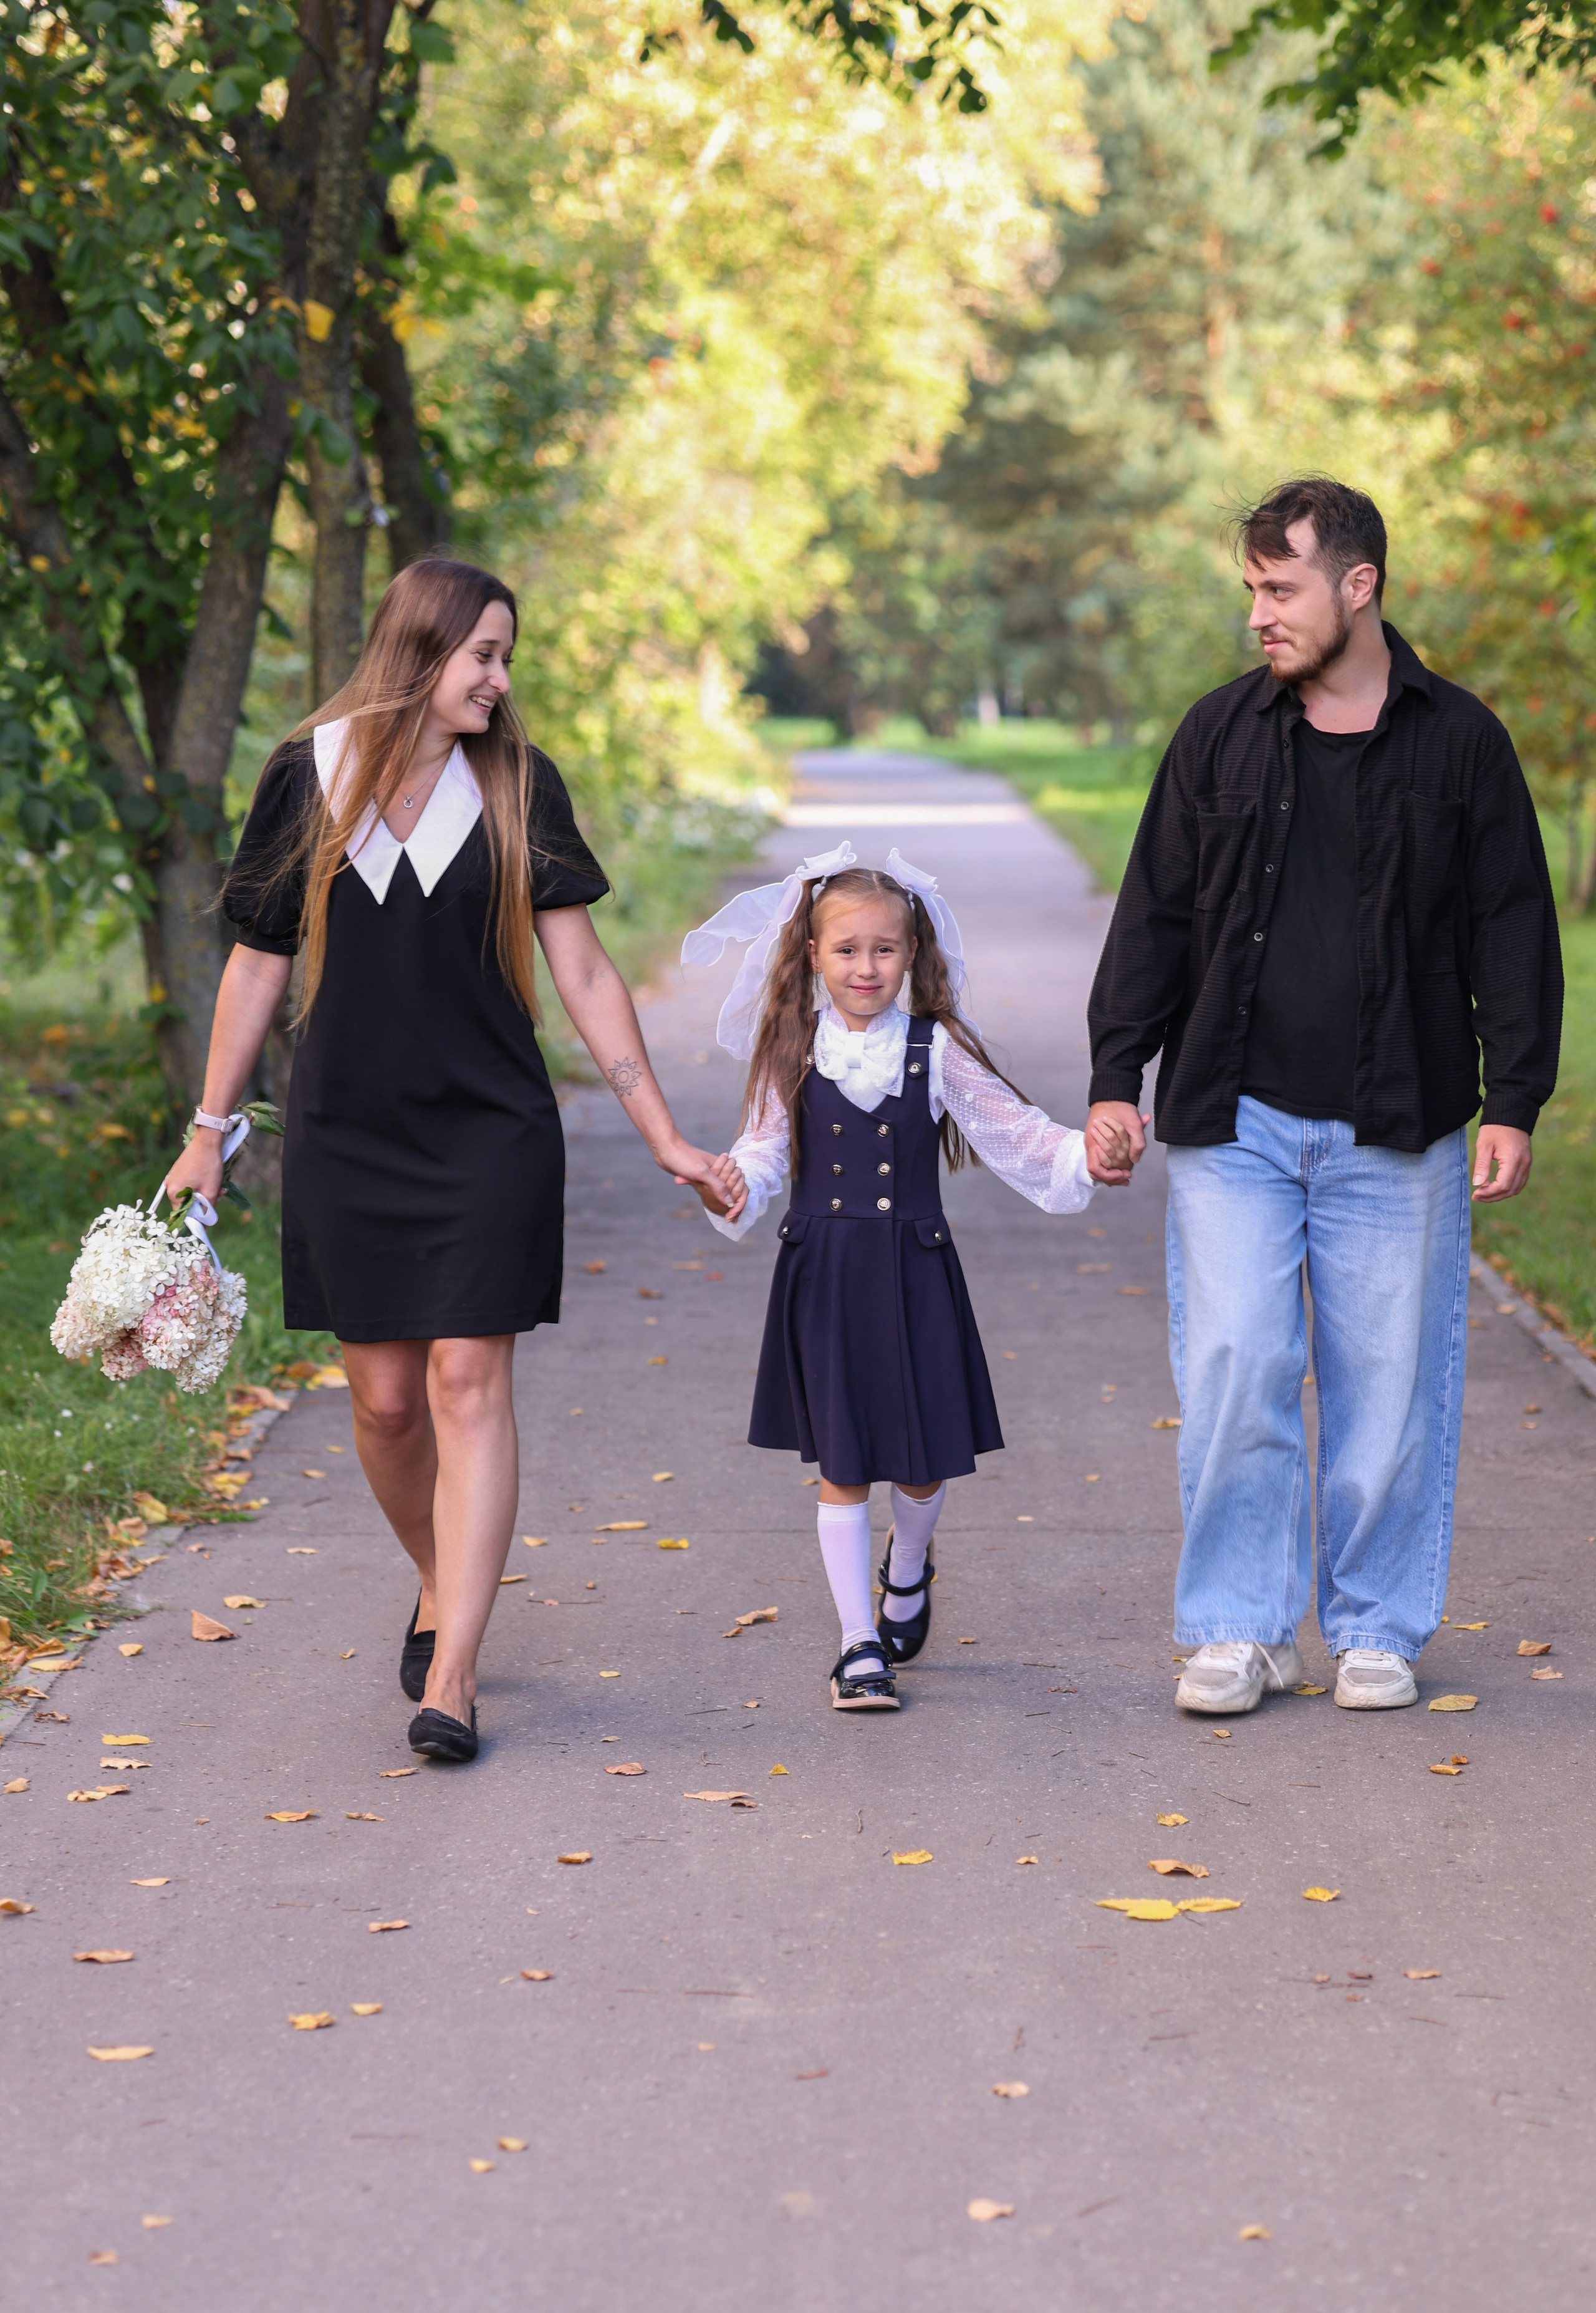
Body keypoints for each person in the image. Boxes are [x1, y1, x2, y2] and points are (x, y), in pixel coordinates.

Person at [163, 557, 746, 1764]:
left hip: (490, 1131)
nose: (498, 678)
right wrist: (206, 1134)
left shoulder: (518, 784)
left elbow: (581, 972)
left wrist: (666, 1138)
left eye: (506, 658)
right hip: (350, 1133)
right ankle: (442, 1577)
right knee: (382, 1401)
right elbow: (256, 966)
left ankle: (459, 1674)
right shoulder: (307, 774)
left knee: (467, 1383)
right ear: (420, 651)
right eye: (484, 654)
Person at [1087, 477, 1562, 1715]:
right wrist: (1111, 1078)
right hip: (1231, 1115)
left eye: (1278, 586)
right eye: (1250, 588)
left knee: (1387, 1381)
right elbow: (1156, 914)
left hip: (1394, 1120)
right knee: (1238, 1360)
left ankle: (1373, 1624)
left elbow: (1510, 929)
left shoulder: (1458, 743)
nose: (1258, 612)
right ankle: (1240, 1629)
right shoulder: (1218, 734)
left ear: (1357, 586)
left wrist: (1510, 1096)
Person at [686, 844, 1132, 1711]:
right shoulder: (793, 1047)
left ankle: (909, 1564)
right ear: (812, 954)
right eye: (847, 949)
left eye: (885, 949)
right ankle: (858, 1643)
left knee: (921, 1467)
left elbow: (1020, 1134)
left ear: (914, 955)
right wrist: (730, 1182)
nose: (866, 966)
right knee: (844, 1462)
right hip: (824, 1278)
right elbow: (763, 1150)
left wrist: (1087, 1152)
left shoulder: (937, 1050)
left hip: (914, 1272)